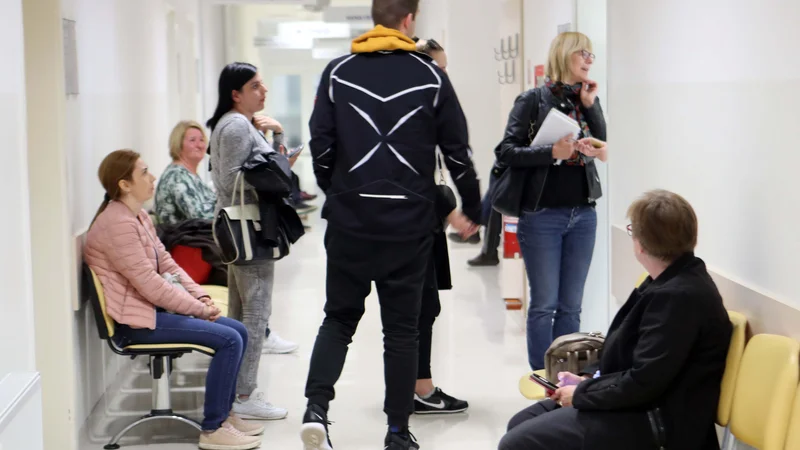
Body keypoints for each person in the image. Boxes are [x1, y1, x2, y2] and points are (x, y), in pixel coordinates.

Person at [300, 1, 482, 449]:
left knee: (338, 318)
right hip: (408, 224)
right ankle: (398, 432)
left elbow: (320, 145)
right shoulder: (431, 76)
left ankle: (316, 409)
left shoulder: (338, 74)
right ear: (409, 21)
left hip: (349, 222)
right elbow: (457, 151)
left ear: (373, 20)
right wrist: (473, 209)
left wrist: (337, 191)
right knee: (401, 330)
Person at [498, 190, 733, 450]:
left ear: (640, 244)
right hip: (642, 406)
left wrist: (582, 394)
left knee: (518, 443)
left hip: (659, 422)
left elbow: (644, 382)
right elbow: (632, 360)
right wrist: (589, 380)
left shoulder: (679, 297)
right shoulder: (669, 280)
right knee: (522, 422)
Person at [83, 150, 263, 450]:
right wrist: (199, 310)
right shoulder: (117, 224)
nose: (152, 177)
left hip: (151, 312)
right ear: (124, 184)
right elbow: (151, 285)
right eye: (144, 173)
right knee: (229, 339)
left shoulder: (137, 216)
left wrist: (201, 296)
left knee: (238, 330)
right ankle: (213, 429)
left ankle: (225, 415)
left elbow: (167, 264)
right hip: (137, 323)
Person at [496, 31, 608, 371]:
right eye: (583, 53)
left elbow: (604, 143)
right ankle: (543, 380)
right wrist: (551, 152)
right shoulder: (532, 99)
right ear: (565, 55)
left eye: (591, 54)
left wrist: (591, 108)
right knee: (544, 304)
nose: (590, 59)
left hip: (584, 213)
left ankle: (567, 381)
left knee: (571, 306)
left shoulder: (586, 100)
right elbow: (506, 152)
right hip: (542, 214)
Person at [207, 62, 295, 421]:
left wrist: (275, 147)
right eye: (256, 86)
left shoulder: (241, 124)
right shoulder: (235, 126)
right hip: (247, 228)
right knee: (255, 313)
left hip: (246, 226)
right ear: (236, 94)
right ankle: (244, 393)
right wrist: (276, 169)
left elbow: (258, 167)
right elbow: (230, 182)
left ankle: (235, 387)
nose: (264, 91)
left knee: (242, 313)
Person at [409, 37, 469, 414]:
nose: (445, 76)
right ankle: (421, 390)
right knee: (420, 309)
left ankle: (413, 386)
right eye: (440, 68)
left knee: (420, 309)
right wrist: (452, 211)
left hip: (420, 226)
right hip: (415, 228)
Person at [154, 121, 216, 225]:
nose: (200, 145)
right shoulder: (176, 176)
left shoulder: (189, 175)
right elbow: (199, 217)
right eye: (192, 140)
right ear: (178, 144)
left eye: (202, 140)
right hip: (184, 238)